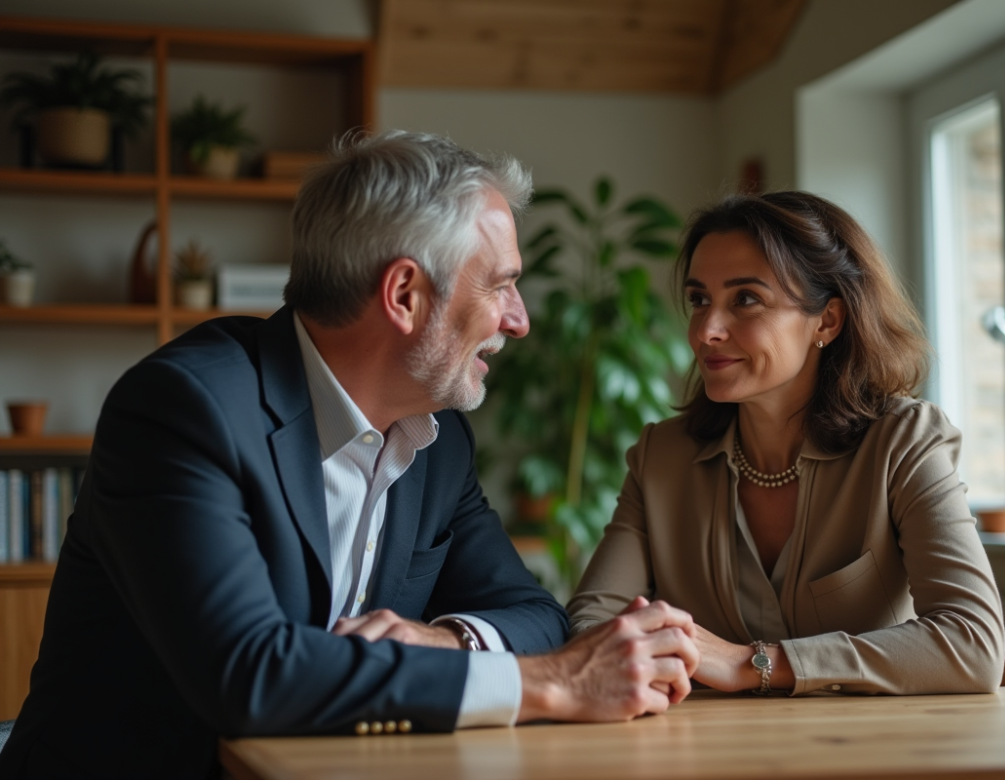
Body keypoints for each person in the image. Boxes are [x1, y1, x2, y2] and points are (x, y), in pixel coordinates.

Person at [0, 131, 698, 780]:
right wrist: (557, 683)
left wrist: (447, 641)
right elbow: (250, 675)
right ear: (404, 295)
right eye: (501, 284)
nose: (519, 319)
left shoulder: (438, 438)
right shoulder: (183, 409)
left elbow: (532, 612)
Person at [567, 191, 1005, 697]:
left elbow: (974, 644)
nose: (706, 330)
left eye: (746, 299)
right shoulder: (660, 458)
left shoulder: (903, 443)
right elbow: (592, 623)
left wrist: (751, 664)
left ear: (827, 321)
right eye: (699, 300)